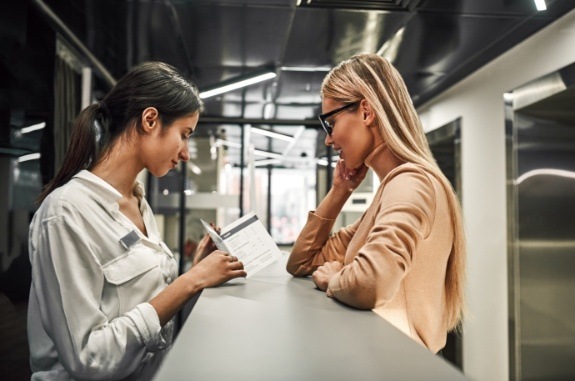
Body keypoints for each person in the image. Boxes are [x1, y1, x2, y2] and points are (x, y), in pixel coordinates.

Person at [27, 62, 246, 381]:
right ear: (150, 120)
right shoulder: (65, 213)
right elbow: (88, 358)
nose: (185, 153)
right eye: (184, 135)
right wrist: (190, 281)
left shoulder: (138, 202)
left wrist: (196, 272)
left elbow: (145, 308)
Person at [286, 53, 466, 354]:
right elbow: (302, 262)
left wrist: (334, 278)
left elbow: (371, 283)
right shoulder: (391, 190)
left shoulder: (411, 182)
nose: (329, 140)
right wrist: (340, 191)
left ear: (367, 112)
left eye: (331, 123)